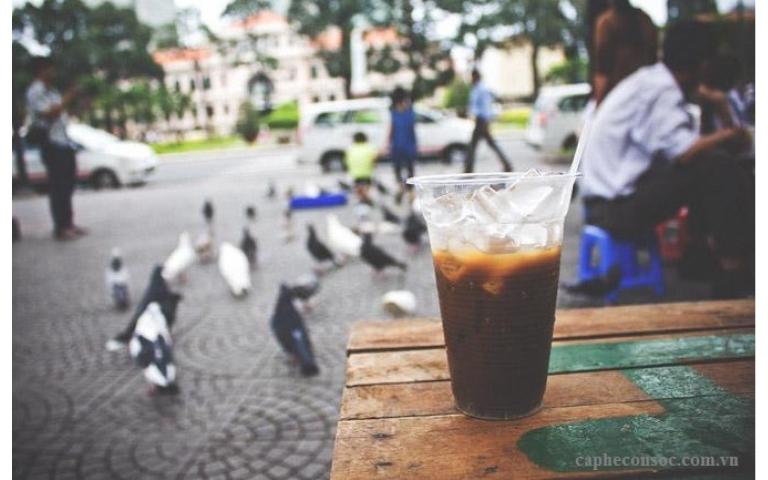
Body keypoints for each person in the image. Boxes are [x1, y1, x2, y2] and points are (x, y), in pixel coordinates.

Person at [581, 21, 754, 298]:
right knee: (714, 167)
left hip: (603, 203)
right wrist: (725, 130)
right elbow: (684, 152)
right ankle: (733, 268)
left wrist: (719, 108)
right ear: (701, 63)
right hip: (613, 209)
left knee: (706, 166)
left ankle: (700, 256)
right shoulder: (660, 90)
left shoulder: (651, 80)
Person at [26, 56, 87, 240]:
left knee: (67, 184)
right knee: (58, 186)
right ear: (41, 70)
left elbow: (61, 113)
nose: (54, 72)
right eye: (50, 69)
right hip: (51, 143)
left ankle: (68, 223)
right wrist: (69, 95)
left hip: (63, 141)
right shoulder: (35, 91)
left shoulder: (51, 90)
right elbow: (50, 112)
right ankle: (60, 227)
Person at [592, 0, 658, 105]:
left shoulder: (606, 23)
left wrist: (599, 108)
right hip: (645, 92)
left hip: (620, 95)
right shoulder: (644, 19)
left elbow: (603, 70)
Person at [464, 69, 512, 173]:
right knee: (488, 144)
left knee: (473, 146)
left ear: (475, 77)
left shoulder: (481, 89)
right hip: (481, 120)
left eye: (471, 77)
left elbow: (483, 106)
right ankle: (507, 164)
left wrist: (484, 120)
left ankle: (468, 170)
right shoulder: (479, 88)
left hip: (481, 121)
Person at [389, 87, 417, 201]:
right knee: (409, 169)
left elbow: (391, 131)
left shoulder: (394, 114)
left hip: (398, 146)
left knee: (399, 169)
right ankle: (409, 191)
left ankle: (402, 188)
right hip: (407, 146)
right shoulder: (409, 113)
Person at [345, 132, 378, 204]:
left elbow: (347, 162)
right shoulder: (369, 147)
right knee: (366, 185)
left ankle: (361, 197)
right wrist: (373, 166)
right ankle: (365, 196)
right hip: (367, 172)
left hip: (355, 173)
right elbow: (374, 159)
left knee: (358, 186)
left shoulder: (351, 148)